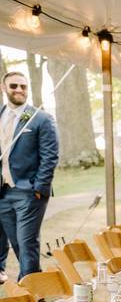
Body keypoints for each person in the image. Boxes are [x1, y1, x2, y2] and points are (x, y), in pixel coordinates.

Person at [0, 71, 59, 279]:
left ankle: (32, 289)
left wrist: (39, 188)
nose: (19, 90)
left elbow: (50, 156)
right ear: (3, 88)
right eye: (14, 86)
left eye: (23, 87)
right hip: (3, 193)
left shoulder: (40, 118)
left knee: (27, 241)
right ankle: (33, 281)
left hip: (29, 191)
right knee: (16, 241)